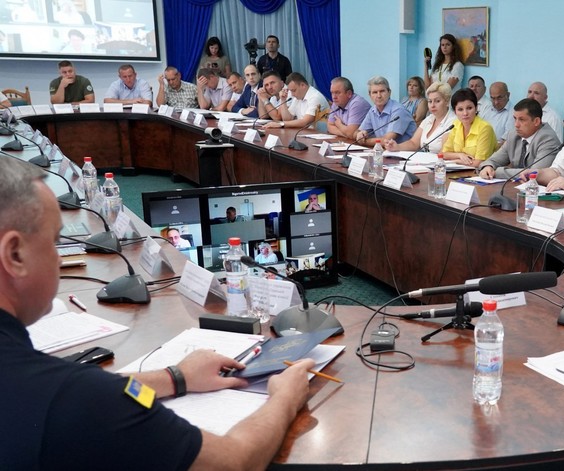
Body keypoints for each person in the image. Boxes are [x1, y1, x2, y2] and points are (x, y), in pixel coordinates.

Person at [0, 156, 315, 470]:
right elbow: (234, 462)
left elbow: (83, 395)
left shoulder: (48, 387)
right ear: (14, 254)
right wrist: (285, 398)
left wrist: (174, 377)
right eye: (55, 242)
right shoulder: (78, 396)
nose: (59, 259)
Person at [479, 98, 561, 179]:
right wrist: (488, 167)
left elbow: (533, 174)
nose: (516, 125)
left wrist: (498, 172)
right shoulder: (513, 135)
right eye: (515, 118)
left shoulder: (548, 140)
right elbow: (494, 160)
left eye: (522, 120)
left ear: (536, 121)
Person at [385, 81, 456, 154]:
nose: (432, 105)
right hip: (424, 159)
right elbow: (413, 143)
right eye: (430, 101)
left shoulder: (453, 121)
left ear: (447, 102)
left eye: (437, 101)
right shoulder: (429, 119)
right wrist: (397, 147)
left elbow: (444, 152)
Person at [355, 76, 417, 146]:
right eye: (375, 92)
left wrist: (364, 141)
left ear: (389, 92)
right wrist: (359, 134)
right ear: (370, 95)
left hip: (406, 152)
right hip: (386, 150)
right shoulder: (372, 110)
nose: (379, 96)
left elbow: (386, 140)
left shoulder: (399, 110)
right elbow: (357, 132)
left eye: (382, 91)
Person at [441, 88, 496, 167]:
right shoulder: (456, 124)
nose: (465, 113)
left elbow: (479, 163)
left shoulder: (485, 128)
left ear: (476, 108)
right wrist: (460, 155)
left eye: (469, 108)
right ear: (455, 112)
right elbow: (444, 154)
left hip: (480, 172)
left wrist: (455, 161)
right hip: (458, 170)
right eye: (460, 109)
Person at [262, 72, 329, 129]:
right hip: (303, 133)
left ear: (302, 85)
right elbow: (287, 119)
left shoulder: (315, 97)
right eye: (291, 91)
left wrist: (281, 124)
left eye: (293, 90)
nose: (292, 94)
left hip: (318, 135)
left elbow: (305, 122)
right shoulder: (298, 97)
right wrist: (283, 101)